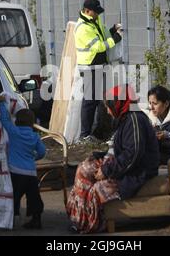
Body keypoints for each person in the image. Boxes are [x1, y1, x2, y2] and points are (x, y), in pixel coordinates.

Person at [66, 85, 160, 233]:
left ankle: (91, 225)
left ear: (117, 104)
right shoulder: (126, 117)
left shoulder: (135, 119)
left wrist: (106, 170)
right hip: (127, 167)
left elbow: (133, 154)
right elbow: (120, 148)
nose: (109, 112)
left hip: (138, 172)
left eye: (108, 107)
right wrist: (100, 157)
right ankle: (79, 219)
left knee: (96, 190)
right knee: (83, 170)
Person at [75, 0, 123, 143]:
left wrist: (112, 30)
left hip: (98, 66)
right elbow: (98, 47)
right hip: (90, 67)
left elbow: (102, 36)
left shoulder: (93, 21)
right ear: (87, 11)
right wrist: (115, 39)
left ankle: (94, 132)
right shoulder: (83, 27)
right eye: (96, 12)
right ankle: (85, 135)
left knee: (97, 100)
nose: (97, 14)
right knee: (90, 101)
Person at [0, 94, 46, 229]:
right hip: (31, 173)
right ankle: (36, 219)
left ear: (17, 121)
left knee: (14, 197)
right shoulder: (35, 136)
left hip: (16, 172)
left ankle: (10, 221)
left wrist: (1, 104)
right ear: (32, 123)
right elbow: (42, 152)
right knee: (34, 197)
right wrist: (33, 158)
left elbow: (5, 120)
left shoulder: (14, 132)